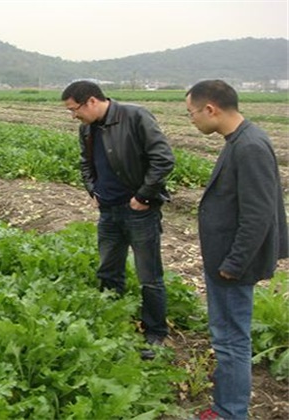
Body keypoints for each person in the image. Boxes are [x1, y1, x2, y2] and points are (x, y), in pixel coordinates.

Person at [185, 80, 288, 420]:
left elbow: (259, 214)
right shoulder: (240, 140)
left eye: (192, 113)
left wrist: (234, 263)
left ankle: (230, 411)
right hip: (225, 258)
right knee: (227, 335)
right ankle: (228, 402)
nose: (192, 121)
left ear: (211, 109)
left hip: (231, 263)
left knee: (231, 340)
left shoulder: (250, 146)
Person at [61, 80, 175, 360]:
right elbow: (85, 164)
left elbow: (163, 159)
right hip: (108, 211)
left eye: (74, 109)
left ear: (91, 101)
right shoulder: (86, 128)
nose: (73, 115)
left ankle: (155, 332)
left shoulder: (135, 116)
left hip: (139, 211)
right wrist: (93, 191)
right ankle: (114, 320)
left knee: (149, 276)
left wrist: (144, 196)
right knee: (108, 270)